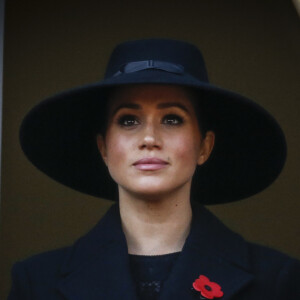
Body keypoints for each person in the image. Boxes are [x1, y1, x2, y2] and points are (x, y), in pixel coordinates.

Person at [8, 39, 300, 300]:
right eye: (128, 120)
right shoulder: (37, 283)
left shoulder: (277, 281)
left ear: (204, 147)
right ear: (104, 149)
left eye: (172, 119)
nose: (149, 139)